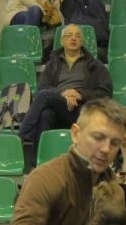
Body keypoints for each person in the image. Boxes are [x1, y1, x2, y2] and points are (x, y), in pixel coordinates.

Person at [19, 23, 112, 170]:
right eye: (69, 36)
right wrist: (63, 94)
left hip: (81, 112)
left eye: (77, 36)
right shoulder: (53, 65)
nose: (73, 39)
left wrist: (80, 94)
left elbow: (106, 93)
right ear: (62, 41)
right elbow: (43, 87)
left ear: (82, 41)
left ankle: (22, 134)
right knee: (45, 115)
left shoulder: (95, 65)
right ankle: (37, 166)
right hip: (59, 107)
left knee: (44, 96)